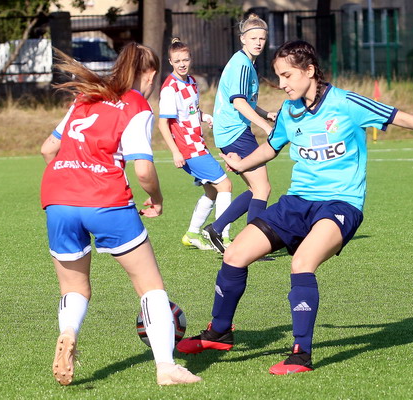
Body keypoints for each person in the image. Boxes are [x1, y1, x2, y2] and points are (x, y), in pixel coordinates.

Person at [176, 40, 413, 375]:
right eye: (279, 76)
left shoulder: (345, 103)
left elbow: (400, 117)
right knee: (234, 255)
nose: (282, 84)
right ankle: (219, 332)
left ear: (309, 70)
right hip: (297, 201)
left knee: (302, 263)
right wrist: (241, 164)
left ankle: (300, 354)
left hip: (341, 204)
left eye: (288, 75)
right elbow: (272, 148)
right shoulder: (289, 110)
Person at [40, 42, 202, 386]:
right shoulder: (136, 104)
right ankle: (166, 368)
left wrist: (69, 181)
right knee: (150, 287)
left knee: (74, 287)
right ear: (151, 74)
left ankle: (68, 333)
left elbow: (48, 149)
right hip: (106, 200)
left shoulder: (85, 97)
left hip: (57, 198)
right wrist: (156, 198)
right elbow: (142, 169)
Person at [202, 13, 277, 254]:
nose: (258, 43)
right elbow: (239, 102)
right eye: (253, 38)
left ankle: (216, 229)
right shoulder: (242, 64)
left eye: (262, 38)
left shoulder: (244, 62)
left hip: (232, 132)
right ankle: (250, 245)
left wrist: (266, 114)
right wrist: (266, 127)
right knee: (262, 188)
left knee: (257, 188)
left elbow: (245, 100)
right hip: (235, 132)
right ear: (242, 39)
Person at [158, 38, 233, 250]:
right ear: (170, 62)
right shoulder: (170, 88)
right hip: (188, 148)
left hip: (197, 143)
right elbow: (163, 123)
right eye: (177, 61)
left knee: (212, 191)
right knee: (225, 185)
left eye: (185, 59)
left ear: (190, 59)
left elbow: (191, 112)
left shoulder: (191, 81)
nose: (182, 64)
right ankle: (222, 236)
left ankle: (192, 234)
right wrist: (175, 152)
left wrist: (205, 116)